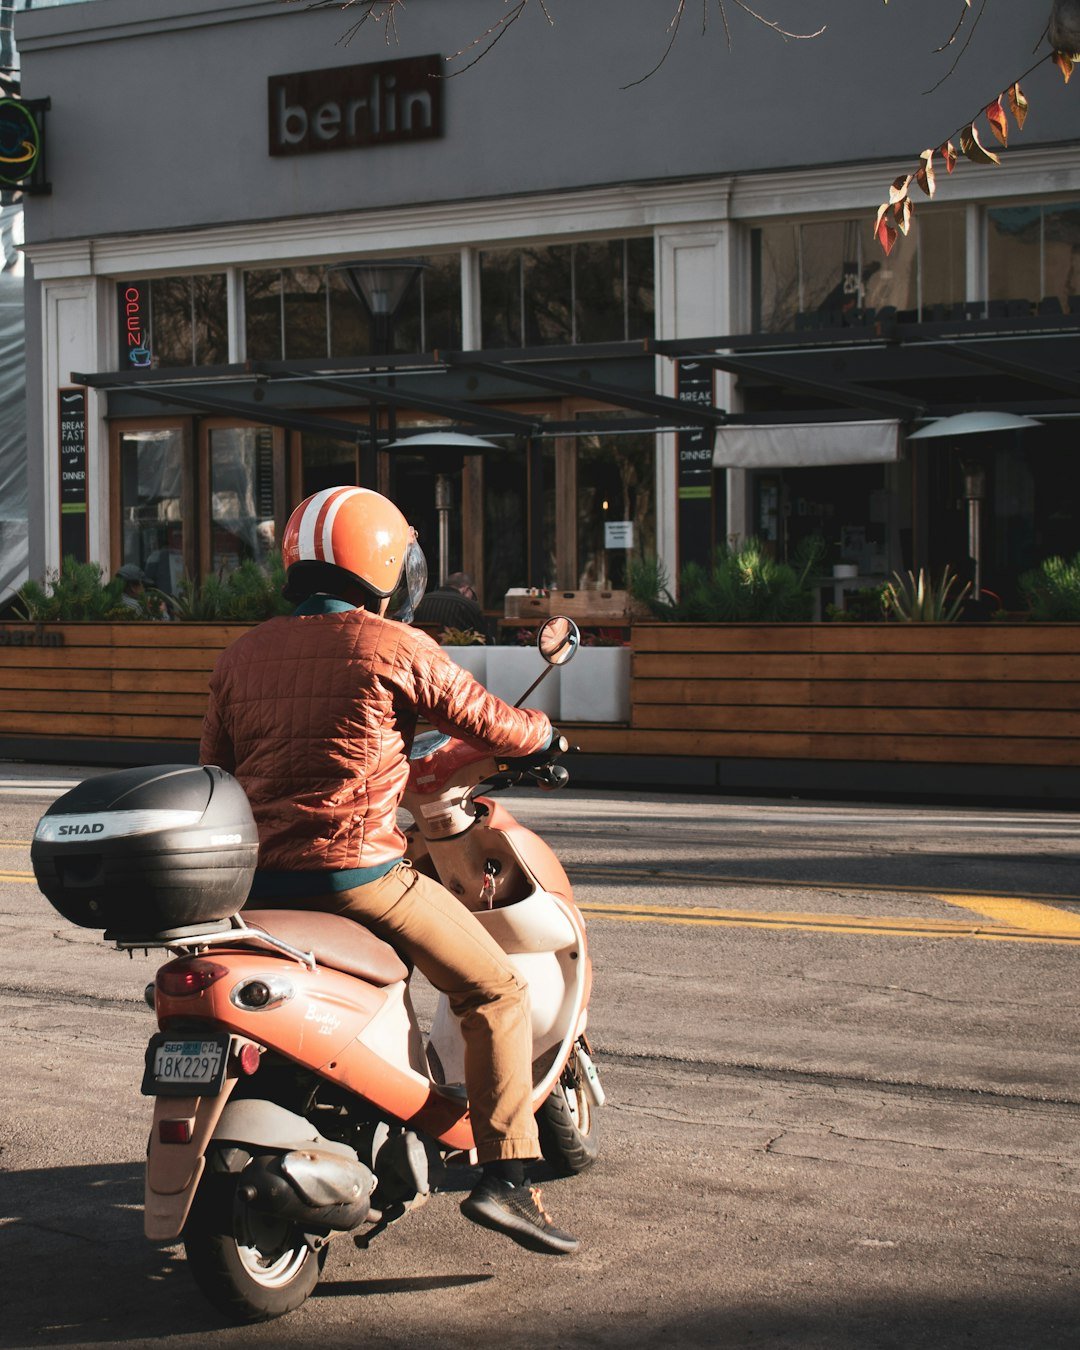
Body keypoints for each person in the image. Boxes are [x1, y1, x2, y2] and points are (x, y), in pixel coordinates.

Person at [199, 486, 578, 1257]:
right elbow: (490, 722)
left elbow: (214, 769)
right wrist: (543, 738)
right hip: (358, 875)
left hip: (261, 884)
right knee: (495, 989)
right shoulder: (391, 646)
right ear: (382, 561)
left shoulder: (240, 656)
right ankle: (507, 1178)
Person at [412, 570, 488, 638]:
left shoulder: (420, 601)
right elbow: (485, 638)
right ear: (466, 589)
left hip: (422, 650)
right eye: (473, 594)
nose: (473, 598)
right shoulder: (468, 605)